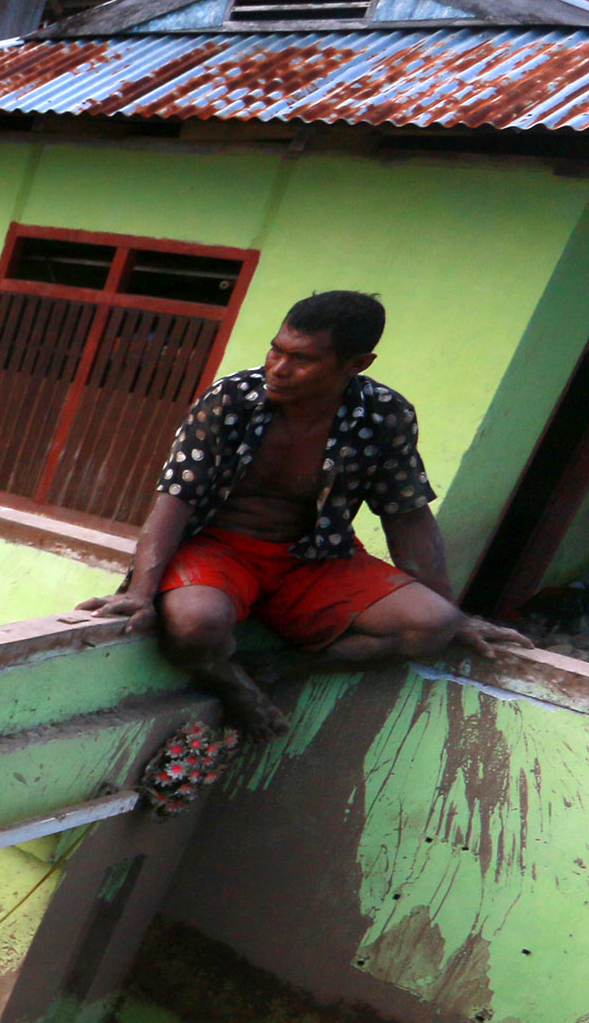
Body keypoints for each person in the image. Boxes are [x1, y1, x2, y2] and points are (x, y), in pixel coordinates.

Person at [80, 290, 527, 736]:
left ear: (356, 364)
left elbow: (406, 515)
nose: (279, 367)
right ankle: (232, 683)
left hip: (315, 557)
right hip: (219, 551)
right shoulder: (231, 399)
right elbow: (175, 498)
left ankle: (279, 668)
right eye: (276, 349)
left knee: (433, 625)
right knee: (194, 626)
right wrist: (141, 591)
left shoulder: (384, 414)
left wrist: (454, 613)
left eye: (303, 359)